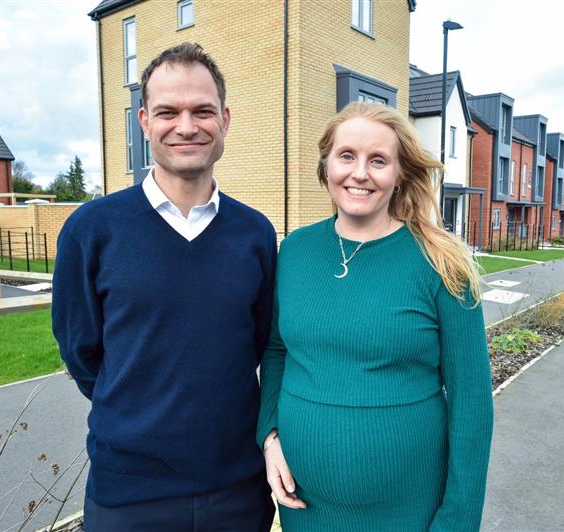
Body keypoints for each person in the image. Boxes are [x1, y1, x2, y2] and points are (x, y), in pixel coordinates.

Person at [52, 43, 276, 531]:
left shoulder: (255, 234)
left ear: (226, 119)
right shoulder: (91, 231)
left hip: (237, 489)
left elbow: (258, 343)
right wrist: (138, 410)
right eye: (168, 112)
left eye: (203, 111)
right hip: (129, 495)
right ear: (144, 121)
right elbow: (80, 351)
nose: (187, 126)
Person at [257, 102, 494, 531]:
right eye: (346, 156)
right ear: (326, 165)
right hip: (304, 509)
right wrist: (269, 435)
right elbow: (276, 351)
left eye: (378, 160)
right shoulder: (295, 251)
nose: (360, 173)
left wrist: (457, 521)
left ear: (400, 173)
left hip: (408, 511)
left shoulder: (441, 261)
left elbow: (472, 403)